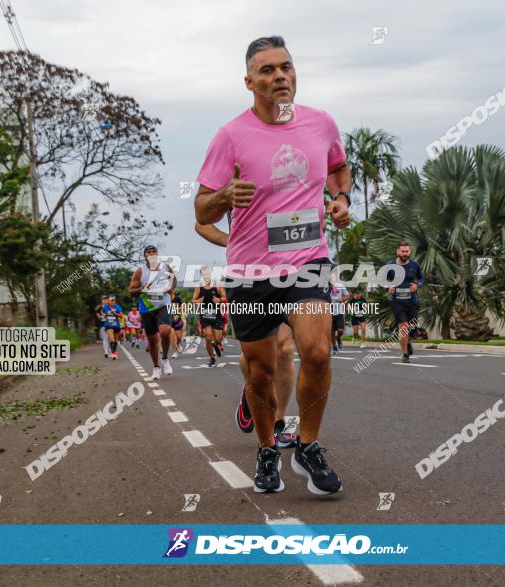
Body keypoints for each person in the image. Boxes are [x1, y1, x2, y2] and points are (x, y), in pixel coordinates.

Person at [194, 36, 351, 494]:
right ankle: (266, 449)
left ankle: (308, 446)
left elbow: (339, 168)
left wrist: (339, 199)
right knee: (259, 371)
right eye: (267, 71)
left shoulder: (321, 124)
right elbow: (202, 211)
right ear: (249, 82)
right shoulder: (231, 136)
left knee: (317, 352)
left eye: (286, 67)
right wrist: (223, 196)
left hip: (308, 260)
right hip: (251, 271)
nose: (280, 76)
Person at [194, 223, 298, 449]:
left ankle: (278, 421)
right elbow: (201, 221)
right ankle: (254, 386)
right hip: (250, 274)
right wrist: (232, 240)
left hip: (291, 269)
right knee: (258, 358)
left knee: (285, 350)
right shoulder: (236, 188)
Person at [128, 245, 176, 380]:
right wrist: (143, 289)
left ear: (157, 254)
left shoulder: (166, 267)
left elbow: (174, 280)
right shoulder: (140, 272)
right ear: (145, 256)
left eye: (154, 251)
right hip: (147, 307)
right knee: (153, 339)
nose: (151, 253)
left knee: (165, 331)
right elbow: (131, 291)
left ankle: (165, 358)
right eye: (148, 252)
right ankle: (156, 367)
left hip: (163, 304)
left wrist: (170, 288)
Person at [385, 241, 423, 363]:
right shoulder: (390, 265)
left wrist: (417, 285)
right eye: (403, 251)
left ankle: (409, 341)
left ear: (410, 252)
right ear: (398, 251)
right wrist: (388, 287)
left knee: (412, 329)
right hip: (397, 301)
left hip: (412, 300)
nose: (405, 254)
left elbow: (422, 278)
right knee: (403, 327)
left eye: (407, 251)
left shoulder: (415, 265)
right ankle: (405, 354)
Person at [192, 266, 227, 366]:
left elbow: (225, 297)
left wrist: (219, 300)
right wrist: (197, 301)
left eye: (208, 274)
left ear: (210, 273)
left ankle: (215, 345)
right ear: (202, 275)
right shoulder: (199, 286)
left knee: (218, 339)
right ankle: (212, 358)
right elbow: (193, 300)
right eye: (204, 274)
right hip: (205, 315)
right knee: (207, 336)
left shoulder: (217, 285)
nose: (206, 276)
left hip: (217, 315)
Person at [329, 274, 349, 355]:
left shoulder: (340, 286)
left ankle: (338, 338)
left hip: (339, 311)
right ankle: (334, 347)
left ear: (336, 278)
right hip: (329, 313)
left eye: (333, 277)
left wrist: (342, 299)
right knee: (331, 332)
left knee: (340, 330)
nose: (332, 278)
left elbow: (347, 295)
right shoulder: (325, 287)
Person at [101, 294, 123, 360]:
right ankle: (113, 353)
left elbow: (121, 316)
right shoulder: (105, 307)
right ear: (108, 301)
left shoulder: (117, 307)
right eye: (111, 300)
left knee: (115, 340)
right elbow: (102, 313)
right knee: (112, 339)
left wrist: (115, 313)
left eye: (114, 300)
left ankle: (114, 351)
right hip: (108, 325)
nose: (112, 301)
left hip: (116, 325)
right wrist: (104, 314)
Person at [170, 292, 185, 358]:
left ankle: (178, 344)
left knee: (179, 337)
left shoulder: (177, 299)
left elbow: (182, 307)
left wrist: (179, 310)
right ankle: (175, 352)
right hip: (169, 319)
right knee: (172, 336)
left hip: (177, 319)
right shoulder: (165, 299)